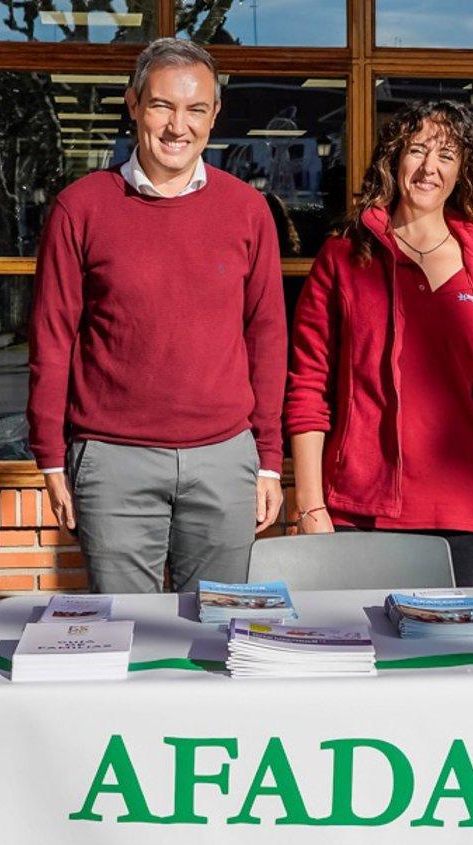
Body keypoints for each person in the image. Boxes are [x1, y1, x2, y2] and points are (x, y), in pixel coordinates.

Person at [27, 38, 286, 592]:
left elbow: (266, 337)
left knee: (217, 632)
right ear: (134, 105)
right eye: (163, 106)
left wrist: (268, 459)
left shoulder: (248, 210)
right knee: (124, 636)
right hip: (113, 460)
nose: (178, 126)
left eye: (195, 109)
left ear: (214, 116)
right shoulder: (82, 207)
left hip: (224, 457)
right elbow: (53, 338)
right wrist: (50, 457)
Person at [285, 100, 473, 588]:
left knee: (463, 662)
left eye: (446, 155)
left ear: (463, 170)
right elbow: (308, 391)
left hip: (470, 515)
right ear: (393, 158)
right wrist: (310, 505)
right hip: (362, 513)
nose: (429, 168)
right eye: (417, 150)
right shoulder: (343, 260)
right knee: (370, 659)